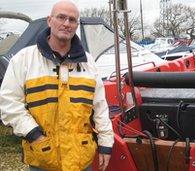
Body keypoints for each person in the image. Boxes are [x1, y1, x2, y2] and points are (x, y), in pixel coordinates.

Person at [0, 0, 114, 170]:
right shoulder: (24, 59)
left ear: (76, 25)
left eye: (72, 20)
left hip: (81, 158)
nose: (66, 23)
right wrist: (35, 135)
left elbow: (100, 107)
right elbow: (9, 103)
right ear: (49, 20)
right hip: (43, 158)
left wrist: (106, 142)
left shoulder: (88, 62)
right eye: (61, 17)